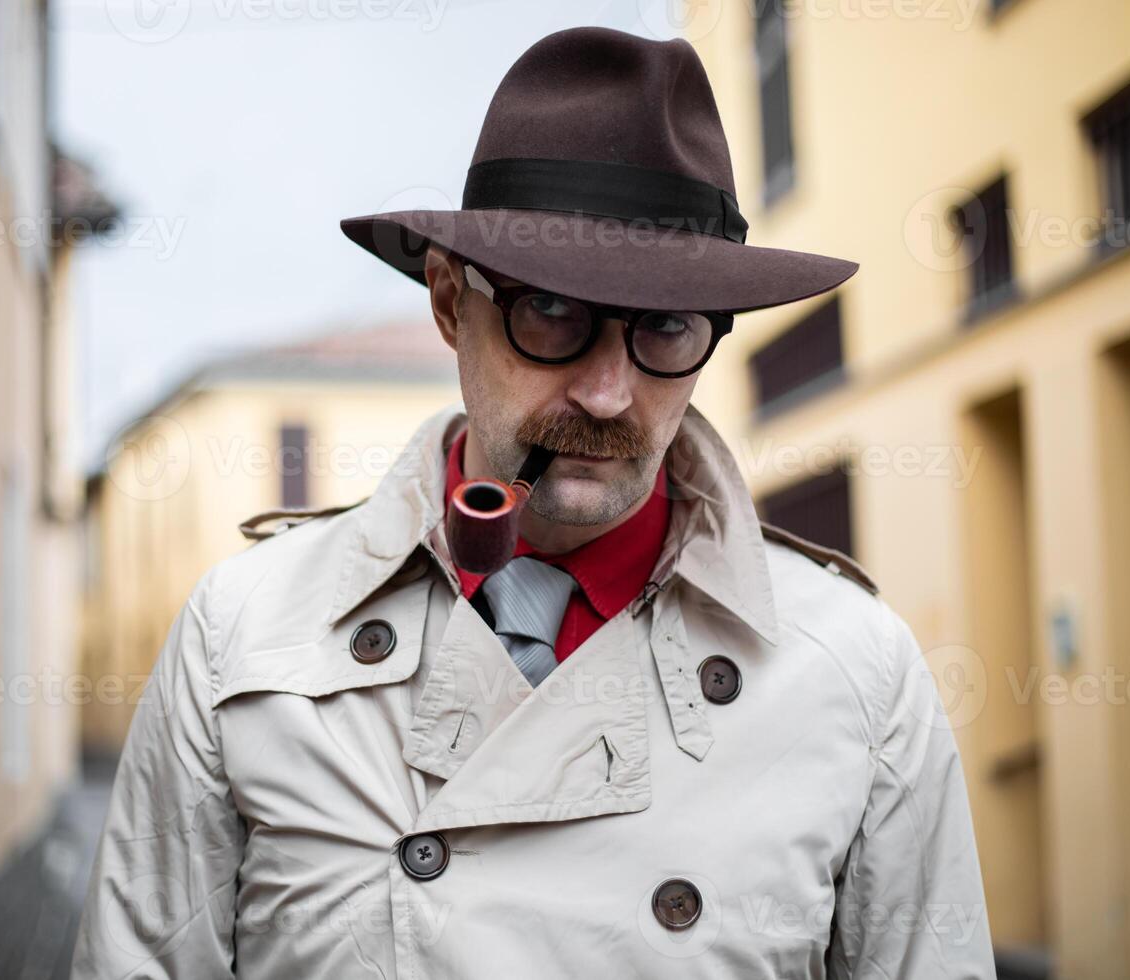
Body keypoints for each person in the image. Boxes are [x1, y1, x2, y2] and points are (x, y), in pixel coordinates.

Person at [71, 25, 995, 979]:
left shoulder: (853, 672)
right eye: (550, 312)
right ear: (447, 302)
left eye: (667, 329)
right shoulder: (244, 638)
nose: (607, 392)